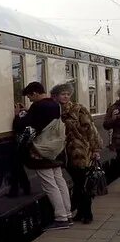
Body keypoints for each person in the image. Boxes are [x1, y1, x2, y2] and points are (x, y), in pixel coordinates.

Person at [14, 81, 71, 230]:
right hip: (55, 150)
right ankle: (68, 213)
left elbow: (27, 126)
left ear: (35, 93)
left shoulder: (38, 106)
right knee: (60, 182)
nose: (30, 100)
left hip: (41, 151)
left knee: (50, 185)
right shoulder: (55, 104)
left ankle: (61, 218)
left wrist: (18, 116)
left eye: (30, 97)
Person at [51, 83, 102, 224]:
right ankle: (80, 212)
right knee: (78, 182)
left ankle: (87, 213)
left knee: (82, 183)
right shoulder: (55, 111)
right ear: (56, 96)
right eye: (63, 94)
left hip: (81, 152)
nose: (66, 96)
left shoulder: (78, 109)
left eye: (68, 94)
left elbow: (90, 129)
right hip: (66, 153)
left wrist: (96, 149)